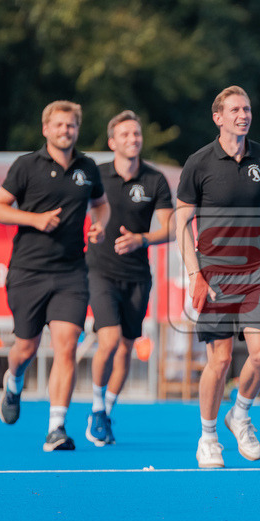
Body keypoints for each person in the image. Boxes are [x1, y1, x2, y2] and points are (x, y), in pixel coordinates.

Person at [175, 86, 260, 468]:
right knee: (221, 360)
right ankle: (208, 437)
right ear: (218, 117)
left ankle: (240, 414)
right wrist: (195, 272)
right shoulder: (199, 163)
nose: (243, 115)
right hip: (214, 273)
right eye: (235, 110)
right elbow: (182, 222)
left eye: (247, 108)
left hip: (256, 269)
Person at [0, 100, 109, 450]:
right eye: (59, 125)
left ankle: (56, 427)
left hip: (71, 272)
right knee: (26, 346)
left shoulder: (88, 167)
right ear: (46, 129)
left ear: (77, 129)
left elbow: (101, 204)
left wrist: (100, 225)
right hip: (28, 271)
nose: (66, 130)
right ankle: (12, 382)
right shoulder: (26, 166)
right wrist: (35, 219)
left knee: (66, 346)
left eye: (71, 125)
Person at [85, 110, 173, 445]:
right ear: (112, 142)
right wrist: (91, 228)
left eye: (136, 134)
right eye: (125, 134)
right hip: (100, 270)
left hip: (138, 274)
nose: (132, 139)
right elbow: (75, 206)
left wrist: (142, 239)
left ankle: (107, 410)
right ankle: (94, 408)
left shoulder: (155, 180)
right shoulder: (96, 175)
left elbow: (169, 229)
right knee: (108, 341)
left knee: (124, 350)